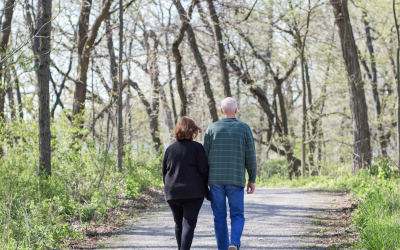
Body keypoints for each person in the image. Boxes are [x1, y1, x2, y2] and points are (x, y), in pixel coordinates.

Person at [203, 97, 257, 250]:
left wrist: (204, 178)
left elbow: (204, 156)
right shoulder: (244, 128)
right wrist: (252, 178)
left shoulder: (211, 128)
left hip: (215, 179)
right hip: (235, 177)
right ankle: (234, 243)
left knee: (219, 217)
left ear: (221, 111)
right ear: (236, 109)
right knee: (237, 214)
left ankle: (222, 248)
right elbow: (250, 155)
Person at [162, 116, 209, 250]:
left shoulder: (170, 149)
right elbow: (203, 169)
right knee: (189, 223)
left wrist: (168, 186)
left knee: (178, 224)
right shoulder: (197, 148)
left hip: (172, 191)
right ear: (193, 130)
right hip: (193, 192)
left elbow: (164, 171)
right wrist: (207, 183)